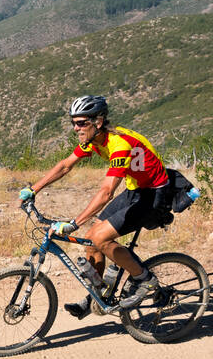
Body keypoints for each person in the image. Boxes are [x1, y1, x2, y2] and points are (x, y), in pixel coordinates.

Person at [18, 95, 171, 316]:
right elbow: (65, 166)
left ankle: (144, 279)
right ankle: (97, 296)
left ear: (98, 122)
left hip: (155, 194)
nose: (76, 128)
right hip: (135, 188)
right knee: (91, 242)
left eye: (81, 123)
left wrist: (73, 223)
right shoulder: (93, 140)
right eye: (73, 123)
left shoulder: (119, 144)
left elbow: (106, 192)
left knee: (100, 238)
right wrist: (34, 189)